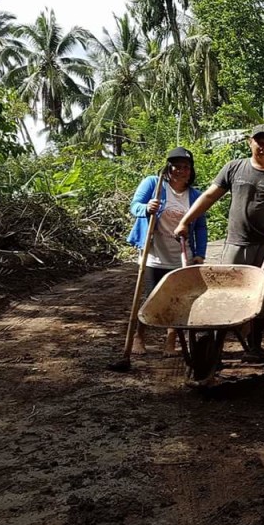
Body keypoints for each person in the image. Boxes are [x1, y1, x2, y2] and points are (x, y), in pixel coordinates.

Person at [175, 124, 264, 356]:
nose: (262, 146)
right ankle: (215, 346)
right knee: (226, 294)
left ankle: (254, 345)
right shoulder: (235, 168)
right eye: (258, 141)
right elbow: (210, 196)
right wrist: (185, 221)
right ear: (249, 142)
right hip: (236, 243)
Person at [112, 147, 208, 371]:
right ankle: (139, 337)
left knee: (179, 299)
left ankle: (171, 340)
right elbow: (134, 206)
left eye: (185, 167)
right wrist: (146, 208)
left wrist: (200, 253)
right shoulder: (153, 184)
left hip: (182, 255)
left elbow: (201, 227)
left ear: (190, 171)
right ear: (168, 168)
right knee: (151, 297)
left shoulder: (195, 196)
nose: (180, 170)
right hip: (154, 252)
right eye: (176, 166)